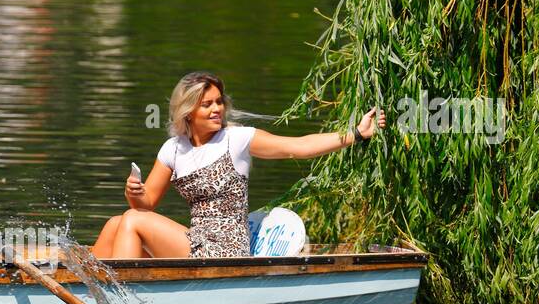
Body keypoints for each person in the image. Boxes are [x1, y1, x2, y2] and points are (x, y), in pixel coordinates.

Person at [91, 71, 385, 259]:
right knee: (117, 222)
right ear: (188, 112)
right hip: (194, 241)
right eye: (207, 104)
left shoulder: (238, 140)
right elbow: (145, 203)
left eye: (219, 102)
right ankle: (87, 293)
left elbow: (298, 147)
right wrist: (133, 191)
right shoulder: (173, 149)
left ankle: (119, 299)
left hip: (225, 249)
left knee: (131, 221)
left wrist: (355, 134)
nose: (217, 109)